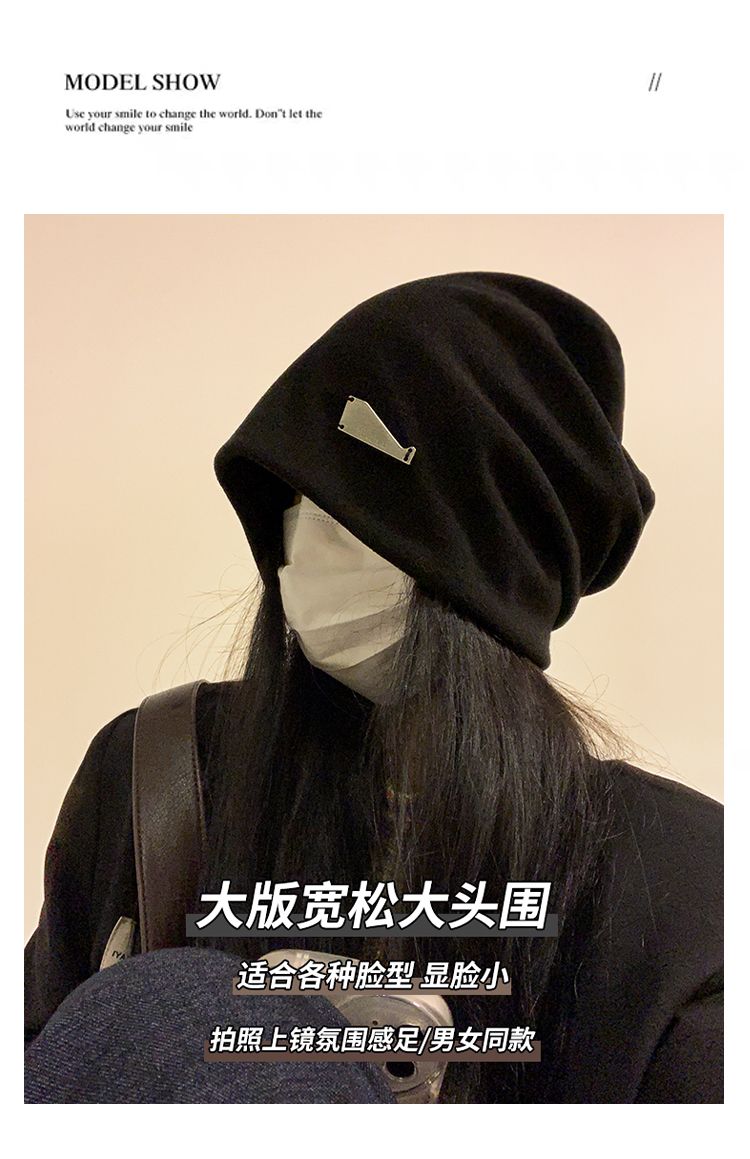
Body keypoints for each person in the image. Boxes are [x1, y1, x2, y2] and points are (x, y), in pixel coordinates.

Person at [25, 271, 723, 1103]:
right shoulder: (156, 781)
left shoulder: (679, 891)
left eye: (348, 520)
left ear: (486, 570)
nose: (297, 555)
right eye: (290, 506)